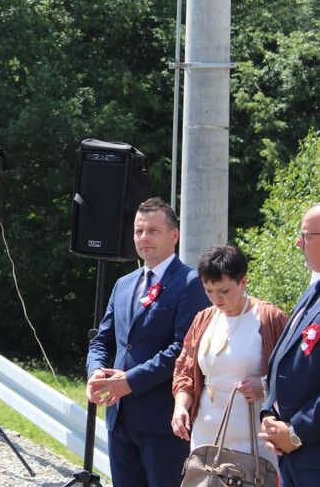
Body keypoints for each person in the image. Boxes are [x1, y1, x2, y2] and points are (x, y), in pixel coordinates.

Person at [85, 197, 210, 487]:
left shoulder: (190, 283)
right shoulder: (124, 284)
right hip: (120, 418)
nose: (144, 238)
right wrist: (96, 372)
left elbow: (182, 349)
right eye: (139, 231)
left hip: (162, 422)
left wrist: (130, 381)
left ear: (174, 235)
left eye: (153, 231)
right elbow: (102, 340)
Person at [171, 245, 287, 466]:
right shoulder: (203, 318)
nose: (216, 298)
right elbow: (185, 370)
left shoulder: (270, 318)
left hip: (254, 438)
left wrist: (263, 386)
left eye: (224, 291)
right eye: (209, 291)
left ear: (243, 282)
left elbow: (293, 373)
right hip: (206, 433)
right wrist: (181, 407)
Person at [259, 204, 320, 486]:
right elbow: (284, 358)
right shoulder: (314, 290)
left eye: (306, 236)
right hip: (296, 458)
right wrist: (270, 413)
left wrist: (297, 432)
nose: (298, 243)